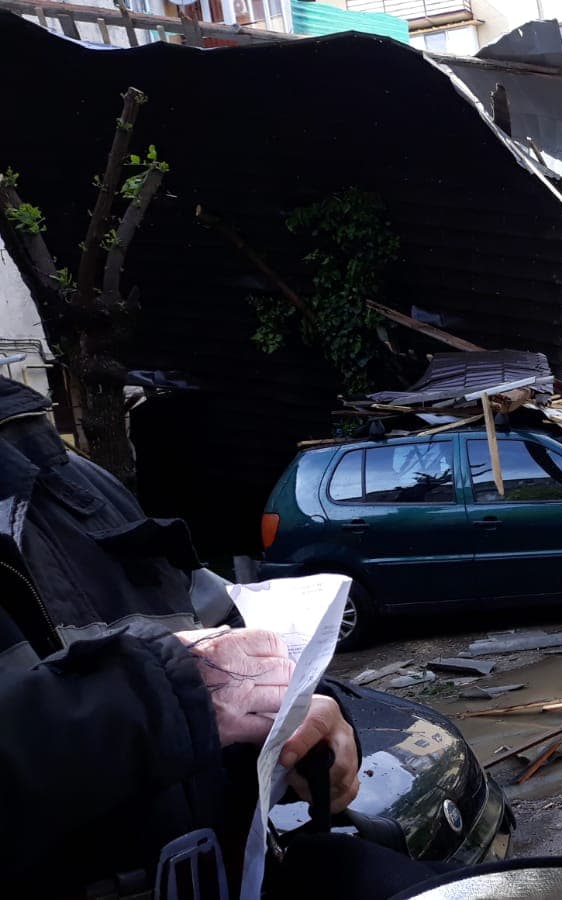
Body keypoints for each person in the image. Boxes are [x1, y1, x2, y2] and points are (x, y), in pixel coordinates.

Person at [0, 378, 420, 898]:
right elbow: (172, 686)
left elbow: (215, 639)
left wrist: (293, 717)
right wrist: (158, 701)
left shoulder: (63, 472)